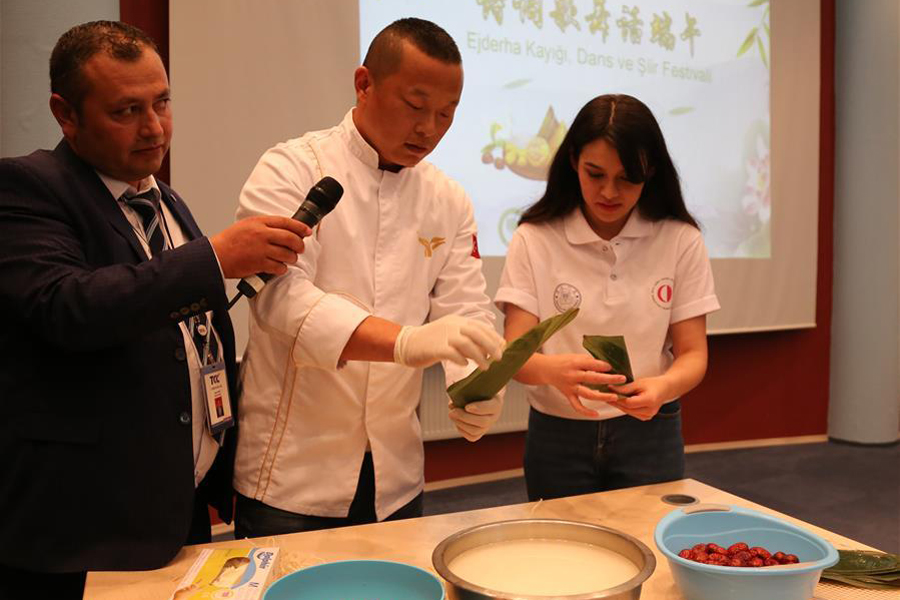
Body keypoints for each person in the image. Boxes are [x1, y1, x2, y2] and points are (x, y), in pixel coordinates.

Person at [0, 21, 309, 599]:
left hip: (171, 508)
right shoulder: (26, 187)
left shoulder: (163, 198)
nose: (154, 127)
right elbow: (70, 306)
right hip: (80, 530)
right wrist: (215, 256)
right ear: (66, 114)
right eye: (127, 110)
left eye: (162, 102)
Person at [232, 18, 506, 537]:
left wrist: (475, 384)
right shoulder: (292, 167)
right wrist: (404, 342)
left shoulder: (448, 199)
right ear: (364, 84)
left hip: (394, 474)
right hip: (292, 472)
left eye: (446, 114)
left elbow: (465, 309)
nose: (428, 129)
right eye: (415, 106)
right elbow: (280, 297)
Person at [495, 94, 720, 501]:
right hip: (558, 430)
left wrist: (663, 387)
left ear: (651, 172)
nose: (609, 192)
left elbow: (693, 354)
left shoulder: (680, 239)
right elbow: (515, 353)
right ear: (573, 162)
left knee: (649, 535)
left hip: (651, 429)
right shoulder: (534, 238)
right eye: (595, 174)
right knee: (560, 538)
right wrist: (551, 371)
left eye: (627, 178)